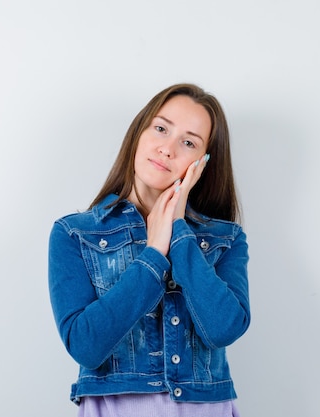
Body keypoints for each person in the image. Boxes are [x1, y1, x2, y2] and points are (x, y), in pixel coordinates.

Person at [48, 83, 250, 417]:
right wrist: (154, 254)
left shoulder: (225, 239)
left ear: (203, 162)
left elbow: (224, 328)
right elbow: (85, 346)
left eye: (188, 142)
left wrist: (179, 231)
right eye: (160, 129)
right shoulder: (74, 234)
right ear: (138, 134)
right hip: (115, 407)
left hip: (206, 408)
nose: (167, 149)